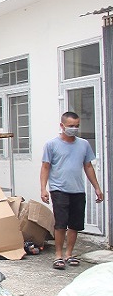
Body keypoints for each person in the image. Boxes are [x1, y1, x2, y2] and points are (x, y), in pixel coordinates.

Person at [40, 111, 104, 270]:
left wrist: (97, 187)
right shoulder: (51, 145)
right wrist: (43, 188)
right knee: (61, 224)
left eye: (76, 126)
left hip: (78, 190)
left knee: (75, 224)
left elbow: (88, 166)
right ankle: (58, 255)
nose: (74, 129)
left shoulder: (83, 144)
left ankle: (69, 253)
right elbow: (45, 167)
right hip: (59, 189)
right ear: (62, 126)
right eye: (70, 126)